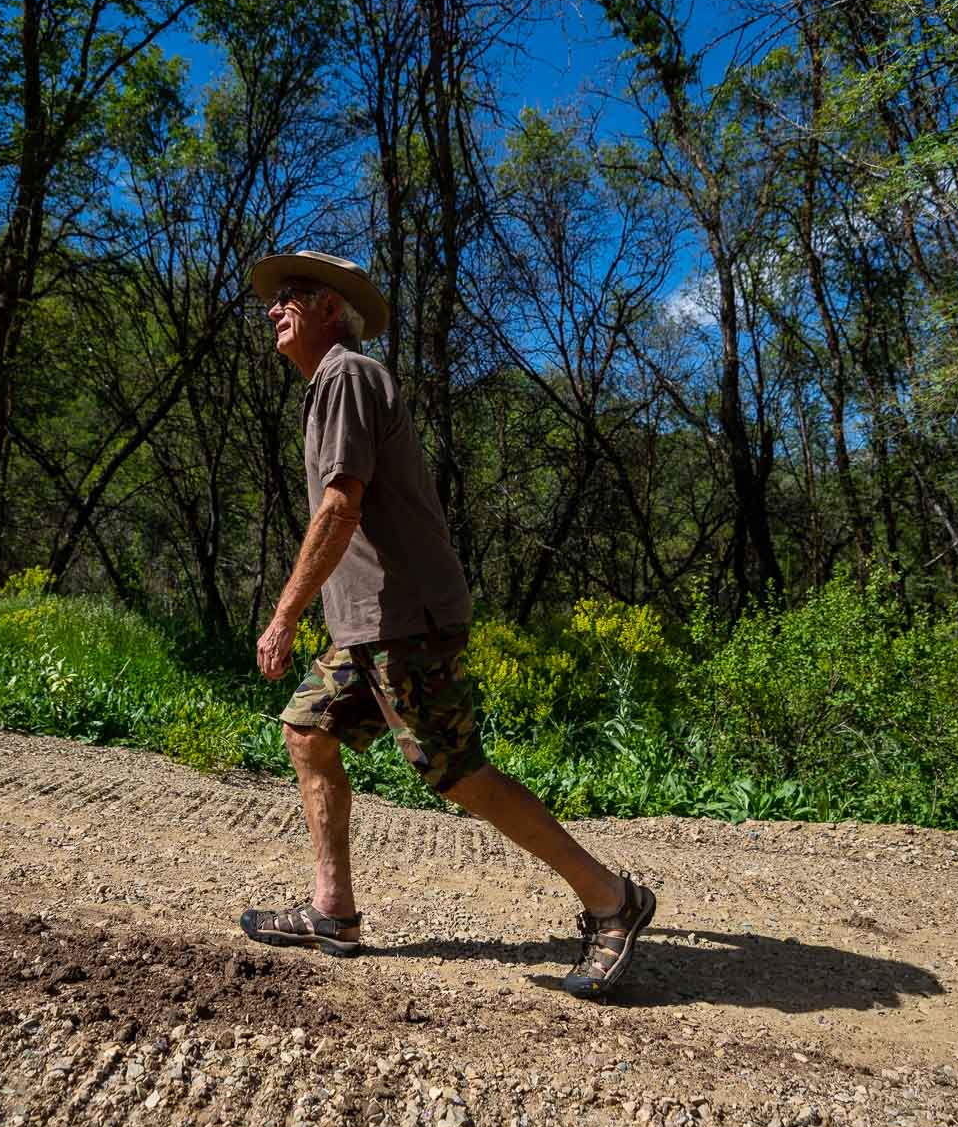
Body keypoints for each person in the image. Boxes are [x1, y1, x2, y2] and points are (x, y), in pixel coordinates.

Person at [238, 249, 656, 999]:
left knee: (453, 770)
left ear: (333, 309)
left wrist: (282, 616)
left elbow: (340, 507)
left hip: (405, 620)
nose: (274, 309)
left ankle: (613, 901)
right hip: (366, 625)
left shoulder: (348, 375)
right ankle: (333, 912)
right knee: (308, 730)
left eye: (291, 296)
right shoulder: (332, 385)